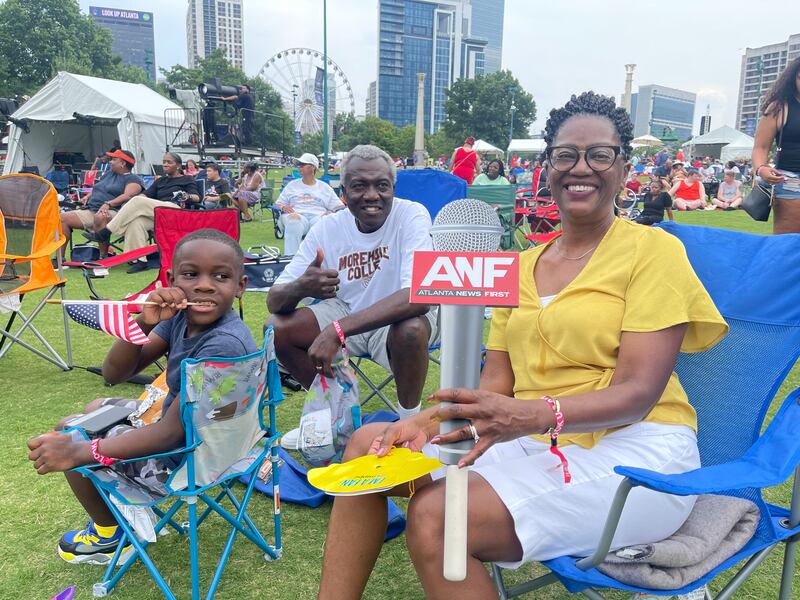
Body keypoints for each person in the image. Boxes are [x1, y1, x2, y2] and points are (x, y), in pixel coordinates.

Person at [316, 92, 728, 600]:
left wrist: (528, 417)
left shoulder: (654, 251)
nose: (581, 167)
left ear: (624, 169)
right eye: (565, 155)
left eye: (600, 155)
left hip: (637, 450)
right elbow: (494, 386)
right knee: (369, 445)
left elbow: (637, 394)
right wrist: (421, 424)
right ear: (547, 169)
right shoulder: (520, 268)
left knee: (438, 517)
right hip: (536, 440)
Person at [27, 229, 256, 565]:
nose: (205, 286)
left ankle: (110, 535)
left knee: (71, 434)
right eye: (191, 275)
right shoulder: (180, 318)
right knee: (94, 409)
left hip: (189, 458)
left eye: (220, 276)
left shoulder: (223, 344)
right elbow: (114, 373)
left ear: (240, 285)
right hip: (196, 433)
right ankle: (118, 510)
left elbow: (170, 435)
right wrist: (144, 322)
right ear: (171, 280)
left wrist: (79, 451)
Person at [266, 144, 438, 449]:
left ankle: (408, 425)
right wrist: (300, 287)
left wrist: (338, 329)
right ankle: (335, 419)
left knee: (410, 328)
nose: (372, 195)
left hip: (398, 318)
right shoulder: (327, 228)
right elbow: (274, 300)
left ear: (393, 188)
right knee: (278, 327)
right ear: (343, 192)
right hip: (346, 309)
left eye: (381, 185)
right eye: (359, 186)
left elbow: (418, 296)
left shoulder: (411, 214)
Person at [84, 153, 201, 273]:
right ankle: (140, 260)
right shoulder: (160, 181)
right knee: (136, 222)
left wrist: (187, 196)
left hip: (176, 211)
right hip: (159, 214)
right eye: (164, 162)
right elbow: (145, 195)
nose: (165, 164)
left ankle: (106, 231)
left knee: (137, 200)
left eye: (169, 162)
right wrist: (135, 200)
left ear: (178, 166)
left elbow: (197, 198)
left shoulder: (187, 179)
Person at [60, 150, 143, 248]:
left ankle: (103, 255)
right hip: (92, 209)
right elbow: (99, 187)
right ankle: (60, 256)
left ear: (123, 163)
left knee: (100, 216)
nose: (110, 162)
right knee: (62, 218)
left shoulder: (133, 179)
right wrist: (87, 197)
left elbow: (128, 195)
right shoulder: (109, 174)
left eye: (114, 159)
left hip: (116, 212)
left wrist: (108, 204)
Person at [273, 153, 343, 256]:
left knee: (325, 220)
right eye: (299, 165)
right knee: (294, 221)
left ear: (312, 167)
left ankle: (317, 258)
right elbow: (277, 203)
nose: (299, 167)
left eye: (302, 165)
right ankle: (290, 258)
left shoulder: (324, 187)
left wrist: (331, 212)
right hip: (297, 215)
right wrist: (283, 207)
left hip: (317, 216)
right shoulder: (292, 185)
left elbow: (339, 206)